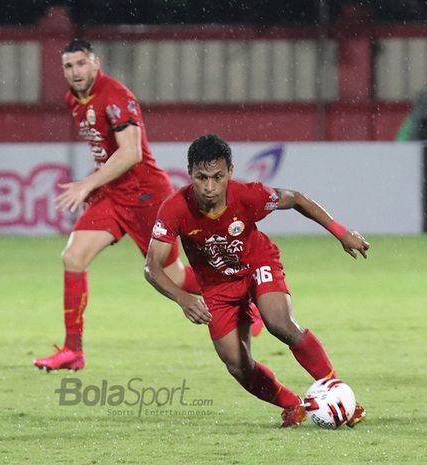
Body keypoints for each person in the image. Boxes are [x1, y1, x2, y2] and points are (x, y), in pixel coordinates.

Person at [33, 41, 262, 372]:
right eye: (69, 67)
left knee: (175, 275)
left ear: (95, 63)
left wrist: (87, 184)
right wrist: (97, 186)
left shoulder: (116, 97)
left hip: (145, 196)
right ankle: (73, 351)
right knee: (73, 257)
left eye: (81, 64)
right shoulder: (74, 99)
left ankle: (246, 301)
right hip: (112, 196)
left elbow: (131, 153)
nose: (76, 72)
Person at [144, 134, 369, 427]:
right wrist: (182, 297)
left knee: (280, 322)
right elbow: (152, 268)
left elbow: (296, 198)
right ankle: (293, 405)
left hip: (257, 264)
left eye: (218, 177)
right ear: (190, 174)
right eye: (201, 178)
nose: (210, 187)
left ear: (230, 173)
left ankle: (338, 395)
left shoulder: (248, 195)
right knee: (237, 364)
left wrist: (341, 232)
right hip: (217, 287)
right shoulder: (175, 208)